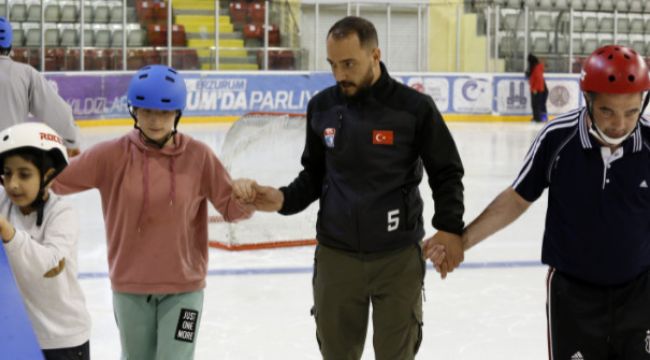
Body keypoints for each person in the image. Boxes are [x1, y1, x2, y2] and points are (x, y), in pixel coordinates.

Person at [233, 16, 465, 360]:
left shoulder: (413, 109)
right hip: (336, 257)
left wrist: (448, 227)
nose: (340, 74)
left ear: (375, 55)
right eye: (333, 65)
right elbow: (313, 176)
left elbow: (446, 172)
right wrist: (281, 198)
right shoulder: (322, 107)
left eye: (349, 64)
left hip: (397, 258)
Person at [429, 45, 650, 359]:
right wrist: (461, 242)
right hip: (574, 297)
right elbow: (516, 199)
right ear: (588, 100)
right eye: (607, 111)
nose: (620, 124)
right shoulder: (557, 139)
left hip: (640, 295)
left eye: (631, 111)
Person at [51, 64, 253, 359]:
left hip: (185, 291)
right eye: (146, 111)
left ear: (177, 113)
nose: (155, 120)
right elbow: (55, 181)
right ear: (134, 111)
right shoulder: (111, 155)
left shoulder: (199, 157)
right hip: (130, 288)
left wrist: (247, 195)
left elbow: (232, 209)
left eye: (164, 112)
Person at [0, 122, 91, 359]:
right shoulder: (4, 205)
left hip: (62, 339)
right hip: (16, 334)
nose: (13, 184)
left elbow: (49, 264)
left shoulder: (62, 213)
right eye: (7, 173)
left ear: (49, 175)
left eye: (24, 174)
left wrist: (8, 232)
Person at [0, 16, 80, 157]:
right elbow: (60, 114)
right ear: (10, 46)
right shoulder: (26, 74)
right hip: (9, 160)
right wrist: (71, 143)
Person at [526, 54, 548, 123]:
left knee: (537, 104)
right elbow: (531, 75)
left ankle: (538, 118)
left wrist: (535, 89)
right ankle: (537, 117)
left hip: (538, 89)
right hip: (539, 89)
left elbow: (538, 79)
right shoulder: (535, 67)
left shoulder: (536, 67)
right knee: (537, 104)